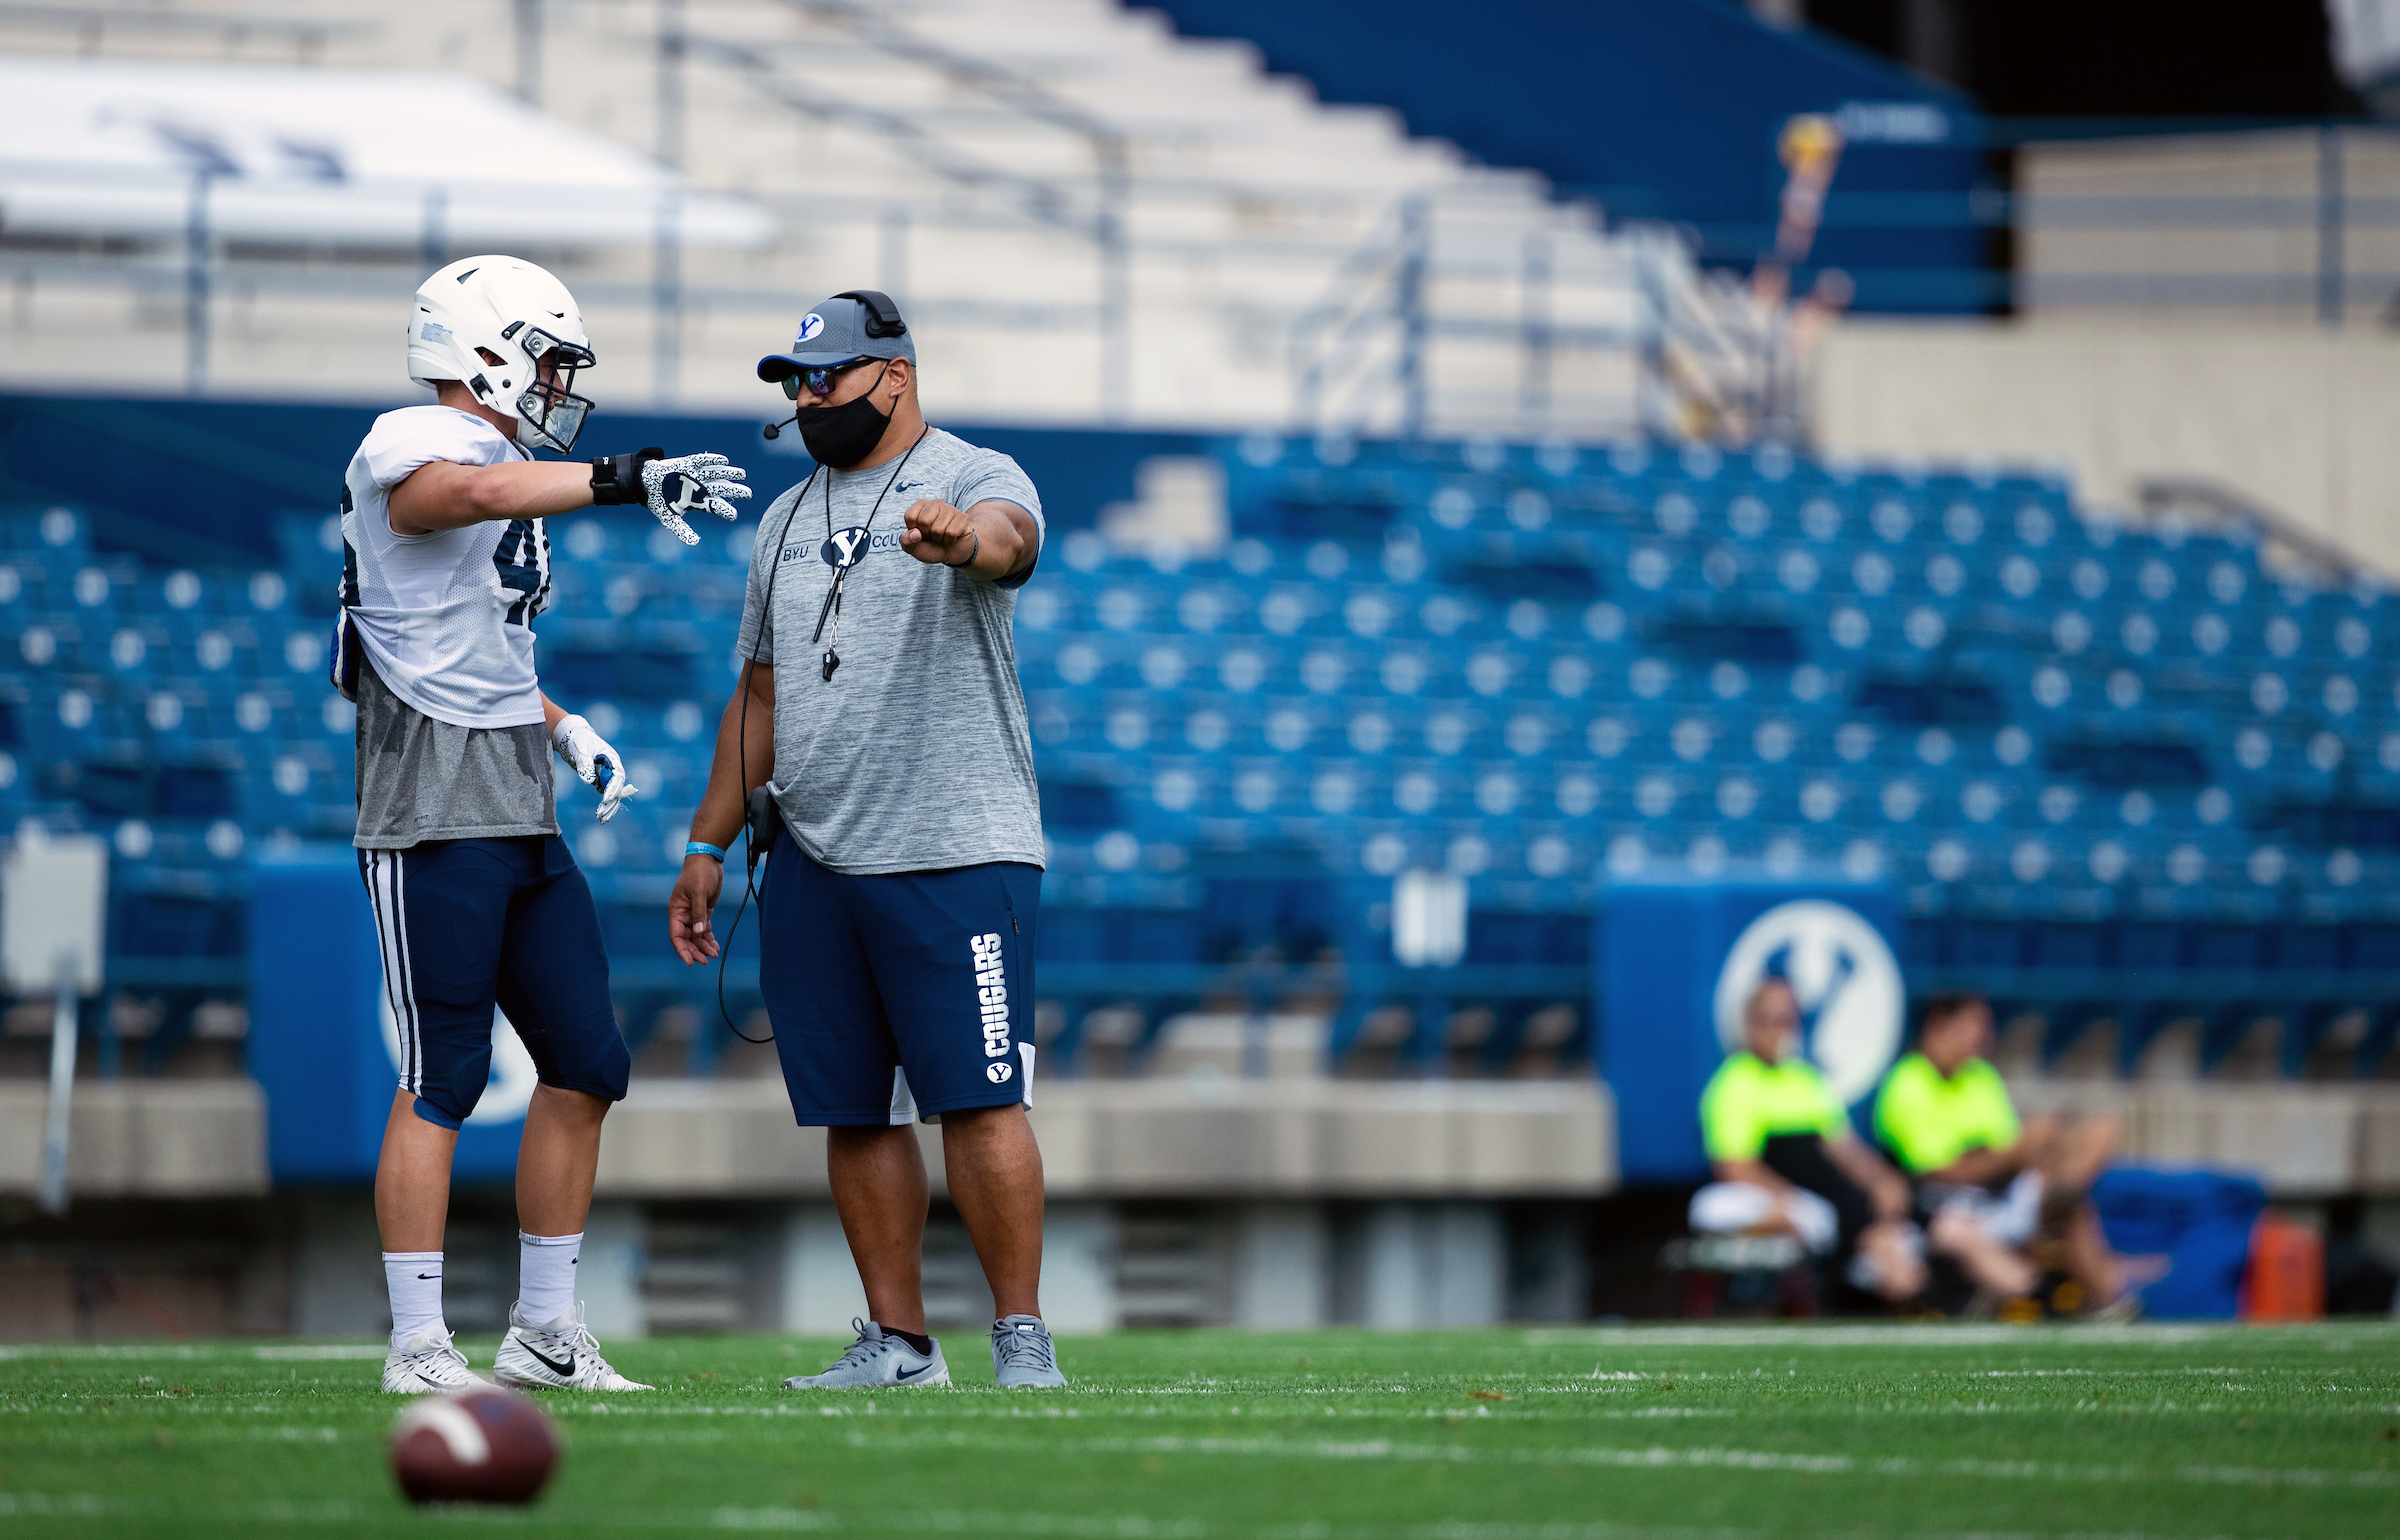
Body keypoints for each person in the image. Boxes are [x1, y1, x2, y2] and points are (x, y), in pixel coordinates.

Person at [344, 254, 750, 1394]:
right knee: (445, 1072)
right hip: (427, 807)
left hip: (519, 800)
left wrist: (565, 726)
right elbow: (453, 497)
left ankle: (545, 1330)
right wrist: (617, 480)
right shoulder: (407, 443)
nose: (563, 383)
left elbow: (476, 649)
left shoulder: (509, 461)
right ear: (487, 347)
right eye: (550, 357)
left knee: (587, 1059)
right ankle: (418, 1342)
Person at [666, 290, 1062, 1389]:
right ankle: (899, 1342)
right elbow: (758, 695)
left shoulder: (978, 474)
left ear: (894, 373)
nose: (807, 398)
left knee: (981, 1097)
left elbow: (1012, 545)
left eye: (825, 376)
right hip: (814, 854)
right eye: (795, 382)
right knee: (851, 1106)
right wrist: (705, 845)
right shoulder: (784, 519)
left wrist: (959, 541)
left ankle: (1021, 1336)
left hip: (954, 847)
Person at [1876, 992, 2138, 1314]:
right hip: (1949, 1203)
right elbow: (1937, 1172)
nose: (1983, 1037)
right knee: (2065, 1198)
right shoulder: (1907, 1082)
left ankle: (2065, 1201)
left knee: (2100, 1128)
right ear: (1938, 1026)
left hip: (2001, 1191)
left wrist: (2039, 1150)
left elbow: (2007, 1149)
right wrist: (2021, 1151)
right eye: (1973, 1026)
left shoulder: (1980, 1076)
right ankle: (2080, 1283)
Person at [1689, 978, 1927, 1305]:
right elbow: (1735, 1166)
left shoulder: (1806, 1080)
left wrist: (1882, 1180)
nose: (1775, 1030)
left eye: (1784, 1020)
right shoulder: (1734, 1083)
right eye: (1766, 1020)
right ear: (1748, 1022)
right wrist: (1788, 1200)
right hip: (1793, 1198)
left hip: (1831, 1198)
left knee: (1891, 1218)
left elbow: (1843, 1148)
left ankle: (1898, 1283)